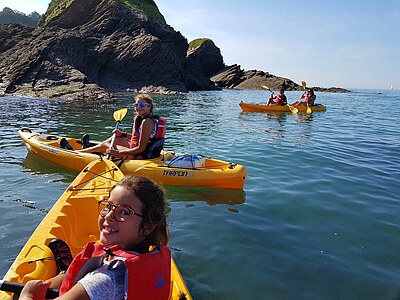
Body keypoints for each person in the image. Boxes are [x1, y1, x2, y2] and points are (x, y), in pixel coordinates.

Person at [20, 175, 171, 300]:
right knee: (75, 271)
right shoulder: (147, 254)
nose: (109, 216)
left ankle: (64, 270)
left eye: (124, 212)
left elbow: (101, 283)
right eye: (108, 206)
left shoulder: (104, 280)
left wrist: (28, 295)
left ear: (147, 226)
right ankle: (65, 272)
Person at [78, 94, 166, 159]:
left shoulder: (147, 122)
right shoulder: (143, 119)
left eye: (142, 105)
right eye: (136, 105)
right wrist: (123, 134)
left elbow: (141, 149)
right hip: (141, 150)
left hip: (142, 155)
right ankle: (89, 149)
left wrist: (118, 152)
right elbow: (140, 139)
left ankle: (79, 153)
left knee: (105, 145)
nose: (138, 108)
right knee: (115, 138)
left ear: (149, 107)